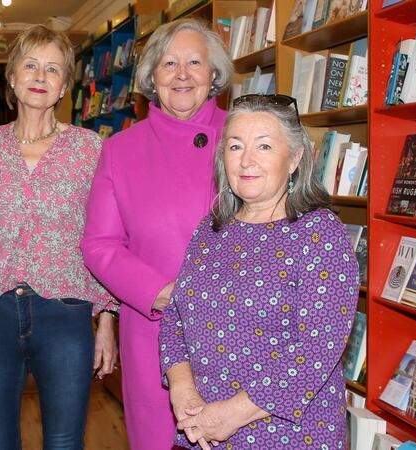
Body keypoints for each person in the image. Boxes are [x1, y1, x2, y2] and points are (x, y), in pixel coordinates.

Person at [160, 94, 359, 449]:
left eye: (264, 146)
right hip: (202, 430)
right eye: (235, 147)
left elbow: (317, 349)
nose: (247, 160)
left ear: (295, 158)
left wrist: (231, 415)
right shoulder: (211, 230)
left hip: (287, 435)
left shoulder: (320, 233)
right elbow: (175, 315)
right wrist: (182, 389)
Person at [80, 18, 233, 449]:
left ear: (214, 74)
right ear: (151, 77)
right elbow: (100, 244)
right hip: (154, 326)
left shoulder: (245, 135)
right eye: (169, 63)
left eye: (195, 62)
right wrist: (160, 291)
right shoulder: (120, 149)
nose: (182, 74)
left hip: (237, 325)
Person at [0, 25, 118, 450]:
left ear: (65, 85)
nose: (39, 76)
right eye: (30, 65)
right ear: (12, 77)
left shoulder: (91, 149)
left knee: (65, 441)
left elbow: (107, 235)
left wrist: (107, 320)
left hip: (66, 313)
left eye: (52, 69)